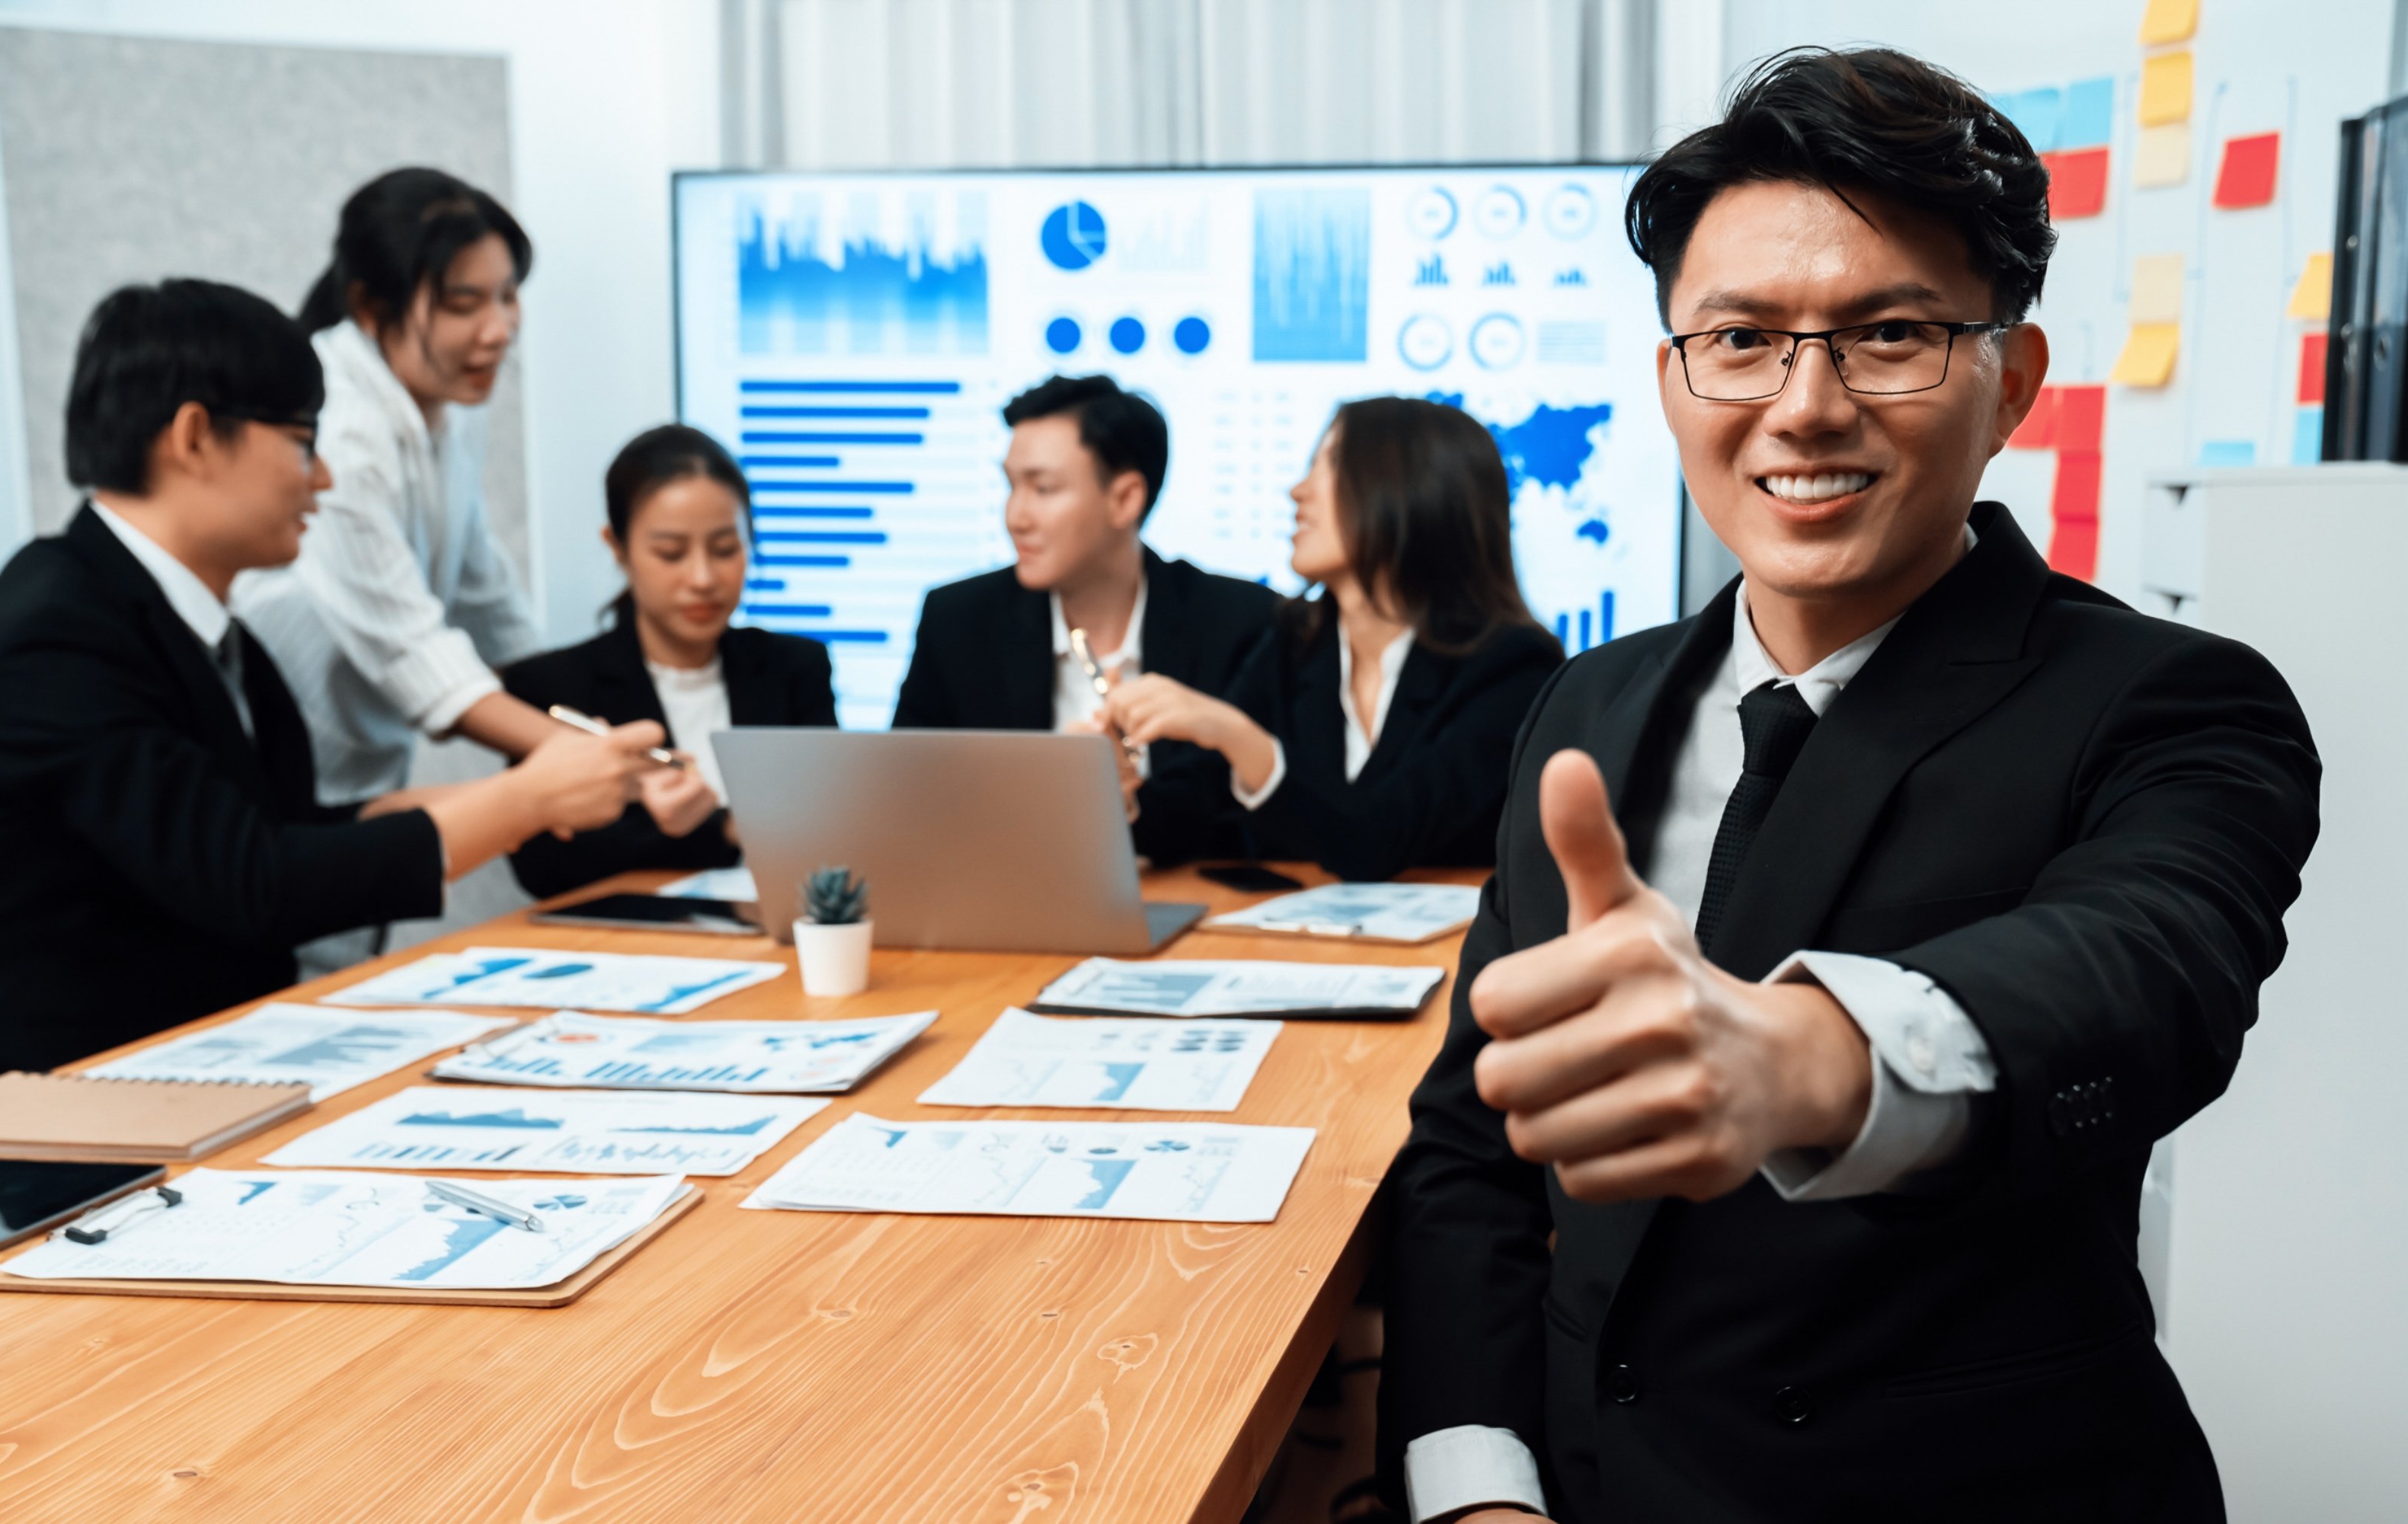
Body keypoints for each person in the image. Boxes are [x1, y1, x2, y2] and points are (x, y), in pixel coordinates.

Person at [1380, 47, 2318, 1524]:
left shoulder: (2167, 699)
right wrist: (1475, 1484)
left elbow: (2148, 964)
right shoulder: (1590, 702)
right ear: (1673, 377)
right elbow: (1470, 1146)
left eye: (1888, 334)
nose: (1804, 406)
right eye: (1741, 339)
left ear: (2009, 382)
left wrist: (1805, 1060)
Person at [0, 280, 666, 1092]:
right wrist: (527, 801)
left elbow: (273, 832)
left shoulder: (194, 622)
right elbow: (250, 880)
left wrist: (448, 809)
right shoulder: (56, 635)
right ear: (196, 438)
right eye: (301, 442)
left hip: (195, 1078)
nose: (323, 478)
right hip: (60, 1116)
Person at [1104, 397, 1562, 882]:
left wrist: (1236, 734)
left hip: (1453, 952)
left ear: (1413, 488)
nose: (1298, 492)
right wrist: (1117, 792)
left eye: (1332, 466)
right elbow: (1190, 817)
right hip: (1289, 945)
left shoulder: (1512, 666)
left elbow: (1376, 840)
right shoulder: (1294, 644)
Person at [233, 166, 561, 807]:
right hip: (277, 766)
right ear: (370, 307)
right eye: (464, 304)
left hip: (361, 757)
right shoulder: (342, 430)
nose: (499, 330)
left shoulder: (452, 405)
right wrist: (573, 754)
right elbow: (412, 652)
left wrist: (587, 717)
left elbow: (486, 596)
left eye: (509, 295)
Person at [890, 373, 1277, 861]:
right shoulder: (960, 621)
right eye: (1011, 486)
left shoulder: (1237, 622)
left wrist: (1126, 803)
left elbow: (1244, 825)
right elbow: (905, 801)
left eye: (1044, 489)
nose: (1016, 516)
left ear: (1125, 499)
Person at [500, 425, 838, 898]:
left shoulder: (795, 667)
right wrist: (723, 829)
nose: (702, 578)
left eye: (725, 549)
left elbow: (829, 829)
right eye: (671, 553)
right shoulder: (553, 685)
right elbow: (545, 869)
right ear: (617, 547)